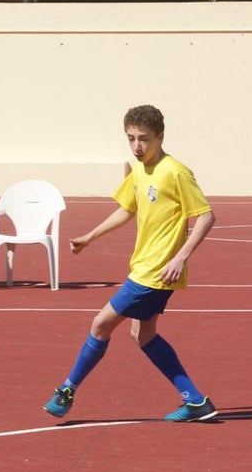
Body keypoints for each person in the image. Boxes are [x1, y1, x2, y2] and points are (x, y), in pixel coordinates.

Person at [42, 104, 218, 422]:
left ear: (160, 137)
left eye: (144, 139)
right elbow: (126, 209)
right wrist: (90, 236)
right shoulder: (138, 169)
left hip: (155, 272)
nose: (137, 146)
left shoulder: (175, 172)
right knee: (144, 335)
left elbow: (206, 216)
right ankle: (195, 401)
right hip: (145, 268)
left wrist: (180, 257)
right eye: (132, 139)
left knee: (100, 324)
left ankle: (67, 390)